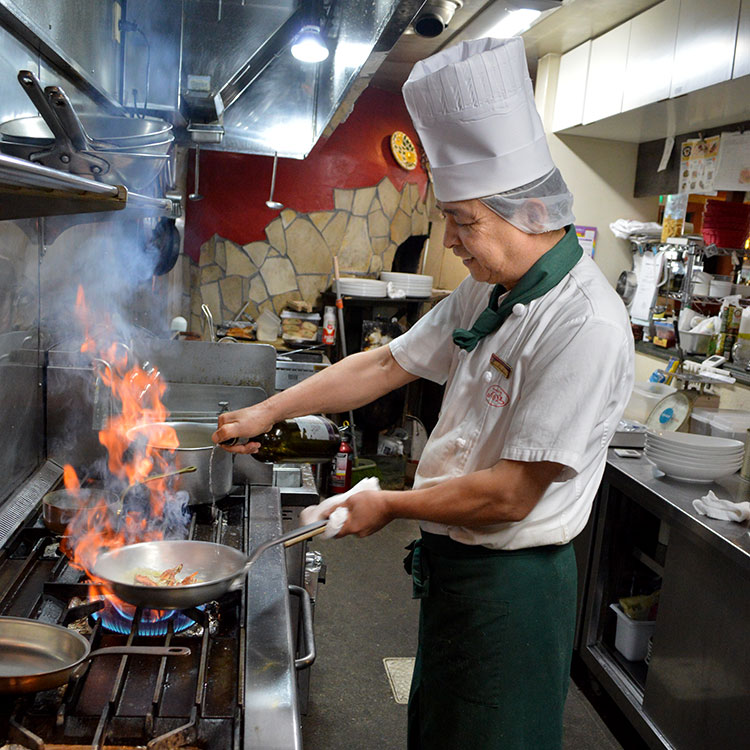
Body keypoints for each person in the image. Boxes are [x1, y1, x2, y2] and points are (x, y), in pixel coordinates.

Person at [213, 36, 634, 750]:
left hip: (514, 589)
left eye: (465, 222)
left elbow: (508, 496)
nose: (453, 241)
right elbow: (385, 366)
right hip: (454, 572)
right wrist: (267, 409)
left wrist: (386, 504)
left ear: (528, 212)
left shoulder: (585, 324)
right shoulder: (487, 291)